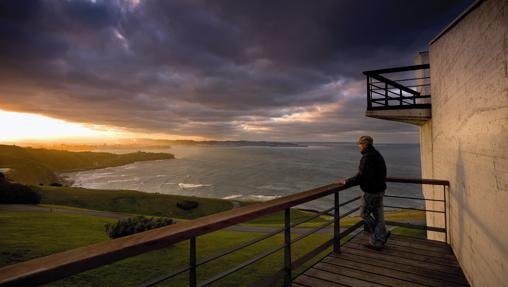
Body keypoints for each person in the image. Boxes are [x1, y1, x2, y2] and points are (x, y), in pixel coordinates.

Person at [337, 136, 390, 250]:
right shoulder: (377, 154)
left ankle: (380, 235)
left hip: (371, 191)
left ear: (365, 144)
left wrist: (346, 182)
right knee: (379, 215)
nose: (359, 146)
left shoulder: (367, 157)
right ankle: (379, 240)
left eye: (360, 144)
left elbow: (361, 176)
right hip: (380, 190)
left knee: (364, 214)